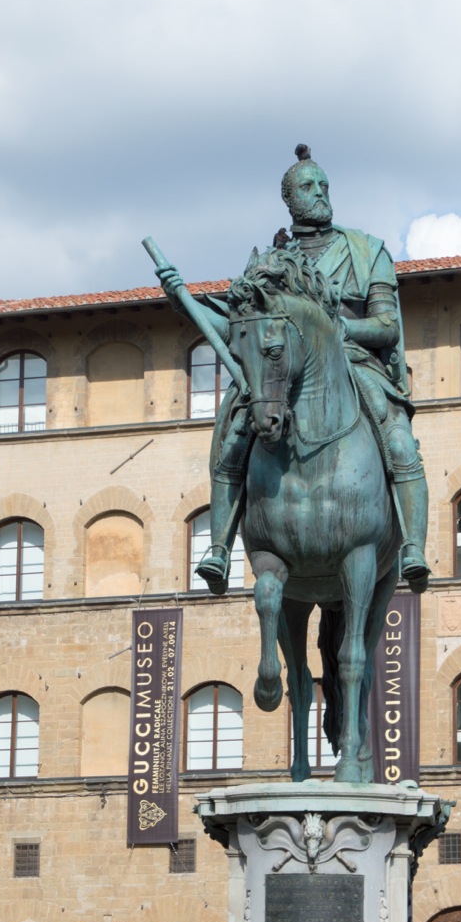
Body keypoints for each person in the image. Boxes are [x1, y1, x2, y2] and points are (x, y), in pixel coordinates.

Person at [157, 145, 430, 597]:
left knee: (398, 436)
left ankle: (413, 548)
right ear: (289, 199)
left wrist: (337, 328)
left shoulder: (368, 251)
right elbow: (240, 328)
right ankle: (220, 549)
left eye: (324, 185)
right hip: (281, 371)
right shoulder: (269, 265)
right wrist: (182, 301)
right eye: (308, 186)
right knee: (236, 433)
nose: (320, 193)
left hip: (351, 362)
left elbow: (387, 327)